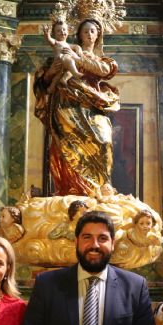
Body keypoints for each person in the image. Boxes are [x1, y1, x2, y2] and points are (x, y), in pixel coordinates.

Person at [17, 211, 157, 325]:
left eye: (102, 238)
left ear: (113, 244)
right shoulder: (47, 285)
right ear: (76, 242)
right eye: (87, 237)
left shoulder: (135, 286)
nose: (95, 245)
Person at [34, 18, 120, 196]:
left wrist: (77, 59)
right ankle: (71, 191)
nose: (89, 34)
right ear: (79, 34)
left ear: (98, 35)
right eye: (85, 31)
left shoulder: (101, 60)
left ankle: (99, 189)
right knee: (67, 145)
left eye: (93, 31)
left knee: (104, 141)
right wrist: (53, 70)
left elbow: (103, 70)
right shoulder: (65, 50)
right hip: (66, 104)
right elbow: (44, 81)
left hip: (92, 104)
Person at [42, 20, 83, 93]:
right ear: (54, 34)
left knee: (58, 76)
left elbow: (76, 46)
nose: (62, 32)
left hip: (65, 66)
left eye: (64, 29)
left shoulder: (68, 44)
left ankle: (54, 86)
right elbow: (49, 40)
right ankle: (76, 73)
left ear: (68, 31)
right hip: (60, 60)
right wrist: (47, 35)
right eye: (58, 31)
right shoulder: (56, 42)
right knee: (71, 62)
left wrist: (79, 50)